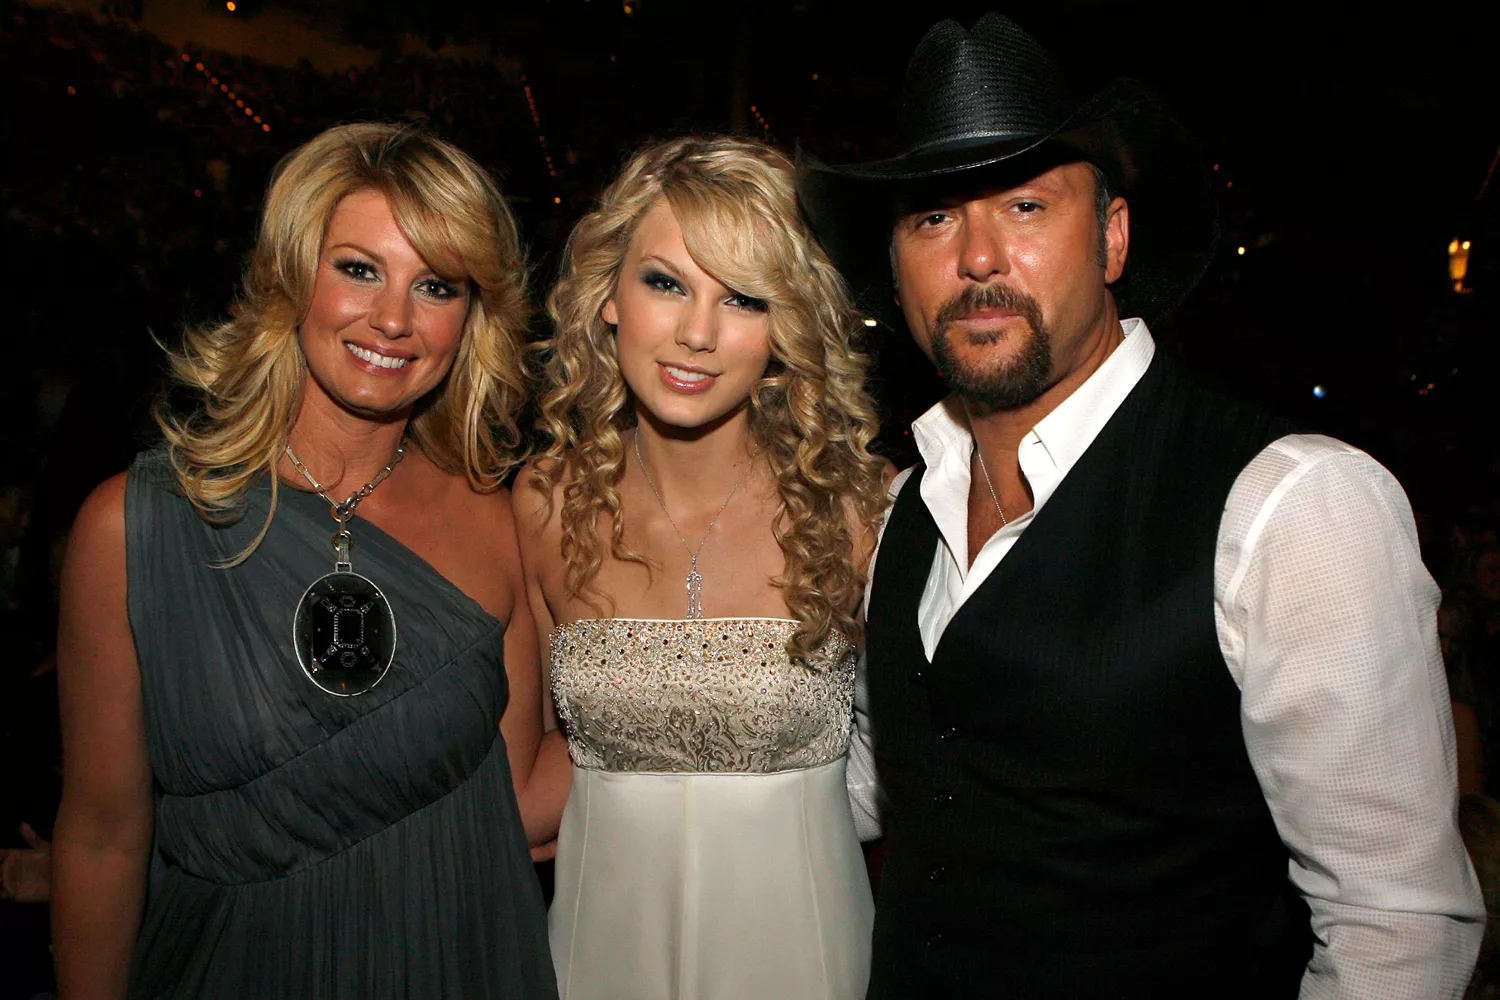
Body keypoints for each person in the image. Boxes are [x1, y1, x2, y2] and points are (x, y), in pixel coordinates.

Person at [797, 13, 1484, 998]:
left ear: (1113, 238)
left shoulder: (1289, 505)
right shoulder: (903, 507)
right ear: (898, 270)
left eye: (1027, 206)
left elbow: (1396, 928)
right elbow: (890, 783)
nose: (979, 255)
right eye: (934, 217)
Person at [50, 123, 562, 999]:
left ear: (470, 318)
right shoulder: (131, 531)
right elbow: (101, 840)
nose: (393, 319)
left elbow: (515, 805)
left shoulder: (496, 517)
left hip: (452, 958)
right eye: (358, 268)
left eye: (434, 285)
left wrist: (678, 700)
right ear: (291, 276)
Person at [514, 136, 889, 1000]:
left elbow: (915, 762)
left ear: (786, 329)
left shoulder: (862, 511)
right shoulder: (542, 504)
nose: (696, 333)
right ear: (609, 296)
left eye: (744, 298)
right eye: (666, 282)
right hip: (592, 960)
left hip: (808, 954)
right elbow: (521, 772)